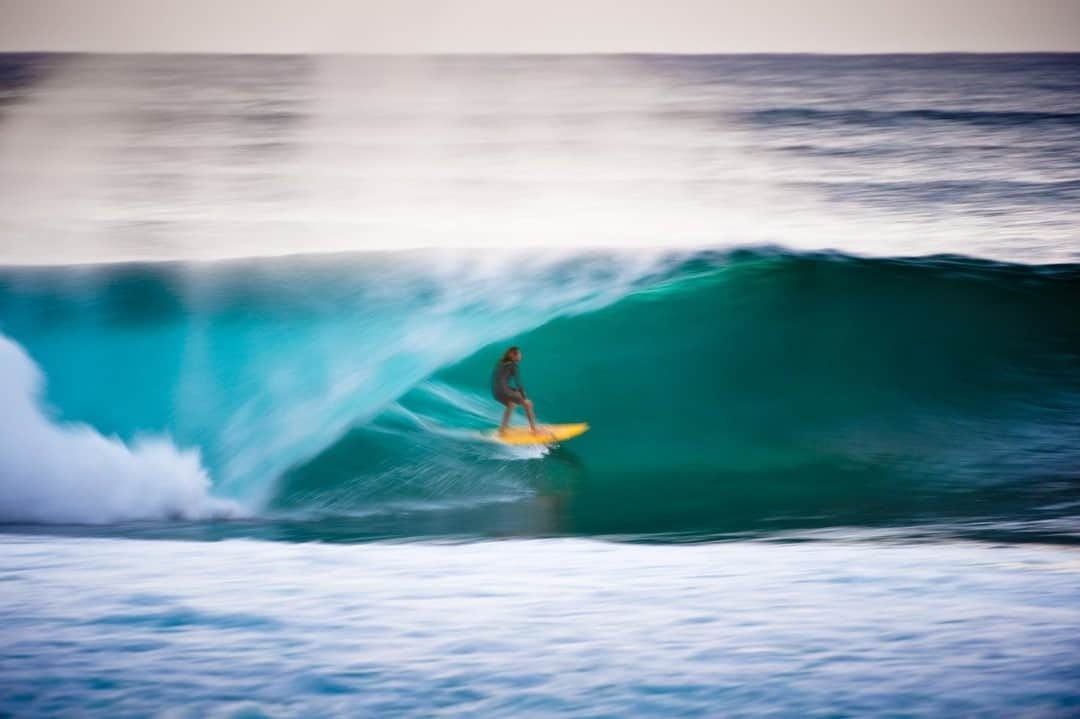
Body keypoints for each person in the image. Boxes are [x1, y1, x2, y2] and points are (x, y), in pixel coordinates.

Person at [491, 346, 542, 436]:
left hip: (496, 392)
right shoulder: (513, 365)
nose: (521, 356)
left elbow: (499, 380)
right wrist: (524, 397)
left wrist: (513, 390)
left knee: (511, 404)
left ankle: (502, 430)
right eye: (519, 354)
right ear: (513, 356)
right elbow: (518, 383)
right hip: (504, 390)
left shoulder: (501, 363)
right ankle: (535, 430)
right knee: (528, 404)